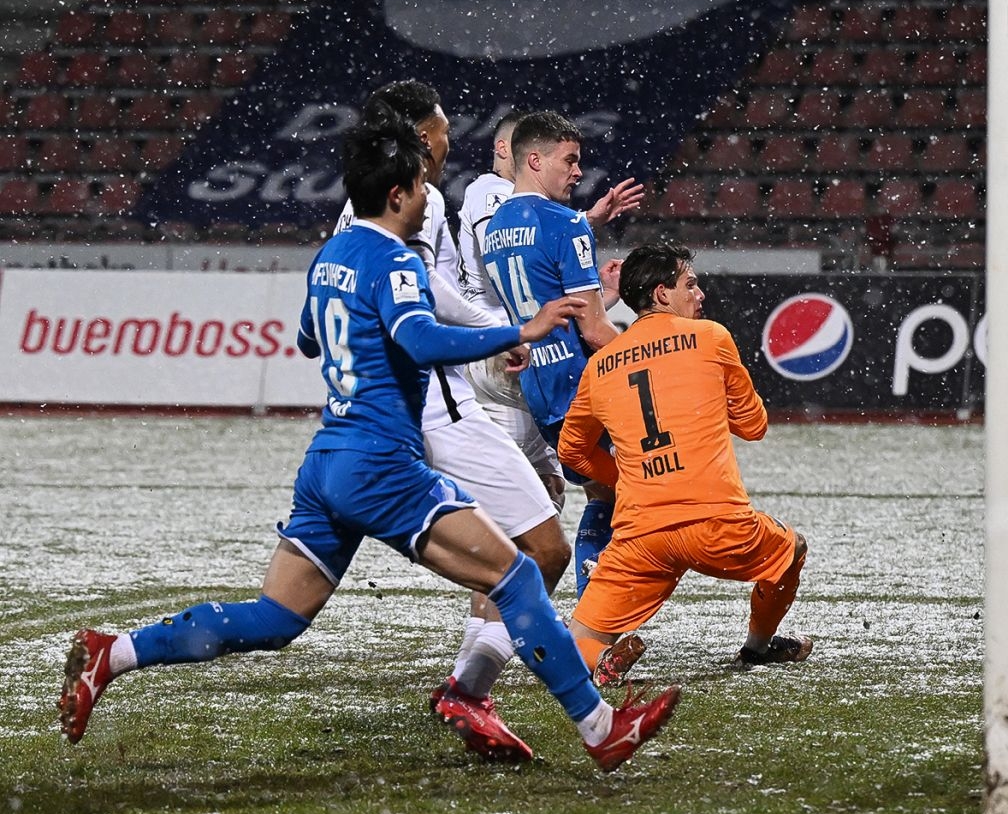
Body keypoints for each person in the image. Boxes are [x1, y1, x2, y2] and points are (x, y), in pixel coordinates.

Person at [58, 106, 680, 771]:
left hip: (329, 458)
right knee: (519, 573)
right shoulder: (395, 259)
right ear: (398, 194)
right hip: (383, 463)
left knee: (276, 617)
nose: (427, 198)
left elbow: (307, 337)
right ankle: (599, 727)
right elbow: (420, 339)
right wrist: (515, 332)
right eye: (420, 187)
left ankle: (113, 652)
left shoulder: (332, 254)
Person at [332, 82, 570, 762]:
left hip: (382, 413)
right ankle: (489, 693)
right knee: (540, 550)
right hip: (435, 403)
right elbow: (425, 297)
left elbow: (326, 320)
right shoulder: (417, 198)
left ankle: (469, 686)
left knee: (280, 612)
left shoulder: (366, 206)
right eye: (439, 129)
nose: (448, 139)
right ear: (416, 136)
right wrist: (504, 329)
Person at [557, 240, 811, 680]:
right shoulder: (711, 337)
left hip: (642, 533)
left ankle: (599, 662)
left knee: (581, 639)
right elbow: (754, 426)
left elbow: (571, 451)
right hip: (717, 524)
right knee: (792, 550)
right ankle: (757, 648)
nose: (700, 294)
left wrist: (624, 477)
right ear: (661, 293)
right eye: (690, 284)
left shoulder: (599, 365)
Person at [478, 110, 633, 601]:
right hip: (585, 388)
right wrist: (658, 357)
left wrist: (600, 297)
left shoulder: (497, 227)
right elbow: (594, 330)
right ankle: (598, 617)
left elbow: (551, 308)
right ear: (534, 159)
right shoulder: (565, 224)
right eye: (570, 160)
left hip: (543, 390)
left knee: (604, 492)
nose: (578, 172)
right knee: (636, 498)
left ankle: (593, 616)